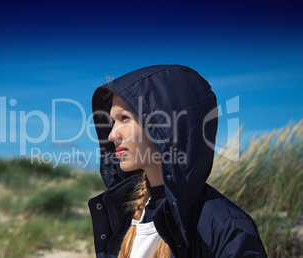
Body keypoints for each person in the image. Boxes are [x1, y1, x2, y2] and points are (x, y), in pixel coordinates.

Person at [88, 65, 267, 257]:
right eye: (113, 121)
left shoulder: (227, 228)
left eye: (124, 118)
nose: (112, 135)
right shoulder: (123, 214)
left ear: (168, 127)